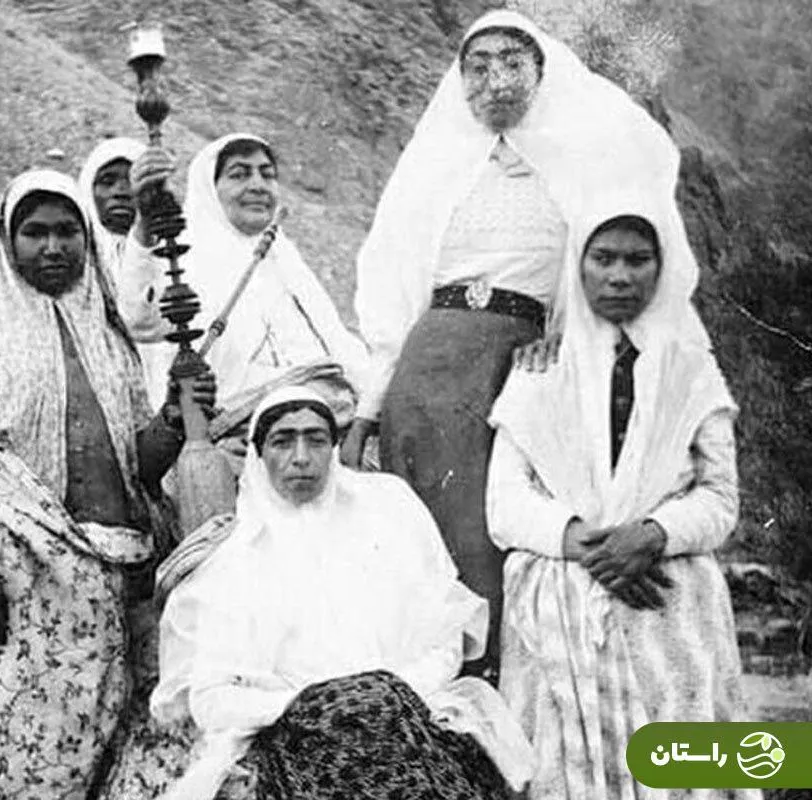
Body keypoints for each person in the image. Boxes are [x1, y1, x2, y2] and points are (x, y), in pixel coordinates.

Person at [342, 9, 679, 680]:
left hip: (519, 367)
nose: (494, 79)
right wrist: (366, 411)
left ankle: (504, 689)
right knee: (419, 538)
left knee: (495, 532)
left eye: (511, 63)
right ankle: (435, 696)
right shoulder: (437, 167)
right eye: (478, 66)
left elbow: (609, 270)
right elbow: (393, 291)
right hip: (427, 371)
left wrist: (566, 339)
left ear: (540, 72)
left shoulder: (579, 168)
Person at [0, 169, 214, 800]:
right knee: (5, 752)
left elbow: (136, 466)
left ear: (87, 238)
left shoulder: (110, 336)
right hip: (15, 578)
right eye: (35, 232)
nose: (52, 247)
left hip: (106, 586)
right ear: (7, 242)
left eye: (66, 232)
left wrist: (175, 413)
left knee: (97, 751)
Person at [133, 385, 535, 800]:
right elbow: (210, 700)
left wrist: (383, 692)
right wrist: (312, 703)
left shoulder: (389, 513)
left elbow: (444, 642)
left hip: (403, 709)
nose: (301, 457)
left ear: (334, 448)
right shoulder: (233, 563)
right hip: (295, 729)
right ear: (258, 455)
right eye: (283, 441)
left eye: (316, 440)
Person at [487, 197, 756, 799]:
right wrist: (590, 545)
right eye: (603, 258)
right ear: (577, 266)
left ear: (664, 268)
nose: (619, 276)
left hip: (665, 585)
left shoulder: (694, 369)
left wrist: (653, 535)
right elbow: (504, 503)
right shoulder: (538, 369)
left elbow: (720, 498)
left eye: (638, 260)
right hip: (564, 582)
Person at [120, 133, 371, 445]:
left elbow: (339, 344)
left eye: (267, 174)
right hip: (235, 441)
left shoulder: (284, 258)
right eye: (239, 174)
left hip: (325, 427)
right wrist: (144, 227)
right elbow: (139, 320)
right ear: (210, 189)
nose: (258, 186)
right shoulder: (180, 256)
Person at [77, 136, 147, 289]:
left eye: (134, 181)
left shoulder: (173, 257)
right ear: (88, 189)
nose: (121, 192)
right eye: (107, 182)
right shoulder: (73, 258)